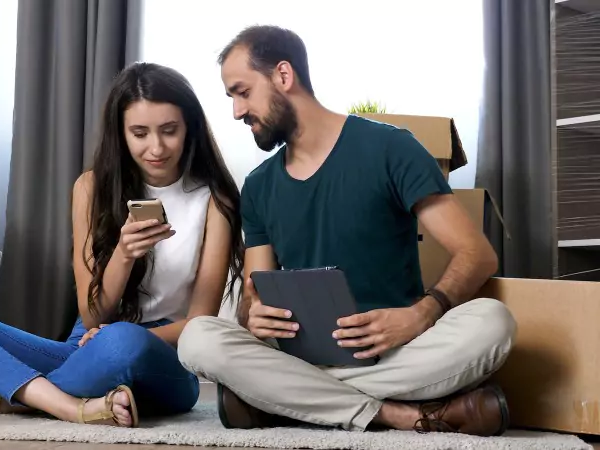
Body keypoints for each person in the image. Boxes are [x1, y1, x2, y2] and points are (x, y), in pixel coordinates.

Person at [177, 25, 517, 437]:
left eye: (242, 92)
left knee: (493, 322)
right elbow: (253, 296)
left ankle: (283, 403)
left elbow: (477, 255)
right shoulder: (260, 185)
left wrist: (420, 315)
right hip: (301, 356)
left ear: (283, 76)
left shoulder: (391, 149)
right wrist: (255, 318)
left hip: (397, 352)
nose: (236, 111)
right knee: (197, 337)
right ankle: (396, 414)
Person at [0, 62, 244, 427]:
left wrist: (113, 336)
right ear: (121, 133)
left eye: (169, 131)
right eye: (140, 133)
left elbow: (200, 322)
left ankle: (12, 400)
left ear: (189, 128)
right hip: (85, 344)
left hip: (164, 357)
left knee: (123, 343)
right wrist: (123, 255)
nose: (156, 147)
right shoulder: (90, 188)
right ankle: (68, 405)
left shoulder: (214, 199)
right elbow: (93, 314)